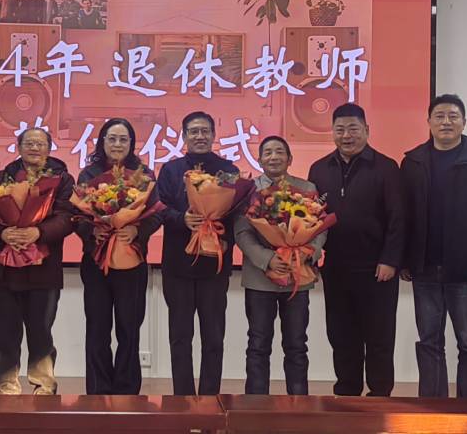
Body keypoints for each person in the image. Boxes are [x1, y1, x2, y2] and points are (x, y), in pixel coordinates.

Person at [400, 94, 467, 398]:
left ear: (464, 122)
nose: (446, 122)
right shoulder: (412, 163)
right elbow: (403, 216)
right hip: (424, 269)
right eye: (439, 116)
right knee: (429, 342)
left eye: (453, 116)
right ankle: (432, 407)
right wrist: (405, 259)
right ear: (428, 122)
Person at [308, 103, 404, 397]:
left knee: (379, 336)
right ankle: (347, 393)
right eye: (340, 129)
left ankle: (380, 395)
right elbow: (311, 218)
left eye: (353, 128)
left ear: (366, 130)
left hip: (377, 269)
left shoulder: (386, 167)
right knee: (341, 334)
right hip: (336, 267)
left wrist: (390, 260)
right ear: (332, 132)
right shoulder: (319, 169)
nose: (346, 135)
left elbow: (399, 218)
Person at [0, 128, 74, 395]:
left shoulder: (63, 180)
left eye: (40, 144)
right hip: (5, 269)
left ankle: (43, 383)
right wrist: (2, 233)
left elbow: (67, 217)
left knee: (41, 331)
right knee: (5, 332)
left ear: (49, 149)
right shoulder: (0, 179)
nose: (34, 148)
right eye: (29, 143)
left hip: (44, 268)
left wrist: (38, 232)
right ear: (18, 147)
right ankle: (6, 383)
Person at [75, 118, 162, 395]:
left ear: (131, 144)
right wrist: (92, 231)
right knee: (97, 329)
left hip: (131, 260)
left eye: (123, 139)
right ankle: (98, 390)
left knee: (129, 329)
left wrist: (137, 229)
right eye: (111, 138)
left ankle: (127, 391)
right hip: (96, 262)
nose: (117, 144)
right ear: (102, 141)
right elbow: (76, 216)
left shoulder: (144, 175)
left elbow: (156, 214)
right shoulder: (88, 175)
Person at [234, 136, 326, 395]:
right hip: (260, 278)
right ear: (259, 159)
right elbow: (242, 232)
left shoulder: (306, 188)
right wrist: (268, 259)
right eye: (267, 153)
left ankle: (298, 403)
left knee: (296, 345)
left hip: (297, 276)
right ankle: (256, 404)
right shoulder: (248, 190)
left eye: (279, 152)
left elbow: (320, 228)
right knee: (258, 344)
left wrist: (307, 253)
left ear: (289, 159)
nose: (273, 157)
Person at [158, 111, 239, 395]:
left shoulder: (228, 170)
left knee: (213, 338)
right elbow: (159, 209)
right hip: (177, 266)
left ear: (214, 135)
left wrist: (226, 239)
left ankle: (209, 397)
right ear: (184, 136)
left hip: (214, 266)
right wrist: (182, 218)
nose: (200, 136)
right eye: (194, 131)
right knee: (180, 337)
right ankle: (182, 398)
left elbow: (238, 214)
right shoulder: (170, 170)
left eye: (205, 131)